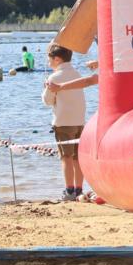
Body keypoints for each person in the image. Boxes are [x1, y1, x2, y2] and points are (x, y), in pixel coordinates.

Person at [42, 45, 98, 201]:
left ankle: (69, 190)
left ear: (57, 59)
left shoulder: (54, 78)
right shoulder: (77, 73)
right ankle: (79, 190)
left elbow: (47, 101)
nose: (48, 63)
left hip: (63, 122)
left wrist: (44, 89)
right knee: (77, 157)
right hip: (80, 120)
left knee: (65, 157)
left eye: (49, 59)